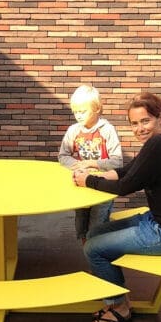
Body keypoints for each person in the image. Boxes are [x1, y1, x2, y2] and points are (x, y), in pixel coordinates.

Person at [72, 92, 161, 322]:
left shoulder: (160, 144)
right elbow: (128, 171)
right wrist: (93, 175)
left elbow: (125, 186)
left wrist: (88, 181)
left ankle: (120, 307)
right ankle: (115, 300)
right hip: (159, 221)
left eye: (145, 121)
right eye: (134, 123)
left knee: (93, 248)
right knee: (95, 232)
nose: (139, 128)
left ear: (160, 118)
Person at [58, 84, 123, 242]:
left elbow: (117, 161)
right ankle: (87, 248)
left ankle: (98, 254)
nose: (78, 116)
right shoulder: (73, 130)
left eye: (83, 111)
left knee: (97, 224)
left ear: (97, 108)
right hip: (82, 184)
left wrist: (91, 163)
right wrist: (78, 166)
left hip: (103, 186)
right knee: (81, 223)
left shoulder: (107, 130)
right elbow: (63, 155)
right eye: (75, 112)